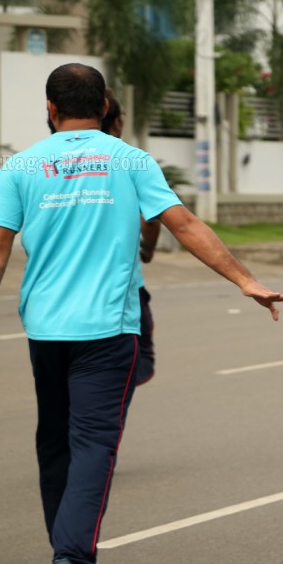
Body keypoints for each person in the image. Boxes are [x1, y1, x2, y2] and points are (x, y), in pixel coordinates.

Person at [0, 63, 283, 564]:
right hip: (107, 328)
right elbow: (185, 224)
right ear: (103, 106)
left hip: (44, 330)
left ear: (50, 110)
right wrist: (246, 281)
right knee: (94, 443)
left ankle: (66, 557)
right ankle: (71, 563)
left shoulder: (19, 168)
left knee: (53, 442)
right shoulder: (130, 161)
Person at [99, 90, 161, 384]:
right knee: (136, 366)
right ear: (115, 119)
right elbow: (153, 217)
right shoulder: (131, 161)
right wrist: (147, 250)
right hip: (120, 295)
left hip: (50, 309)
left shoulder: (41, 163)